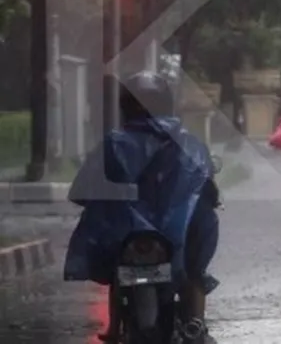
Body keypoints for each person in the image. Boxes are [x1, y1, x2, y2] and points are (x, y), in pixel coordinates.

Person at [64, 71, 220, 344]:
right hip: (175, 236)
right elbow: (207, 189)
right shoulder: (189, 143)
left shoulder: (114, 142)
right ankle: (196, 324)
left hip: (128, 235)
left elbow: (82, 189)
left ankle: (115, 326)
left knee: (118, 268)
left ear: (125, 106)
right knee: (195, 269)